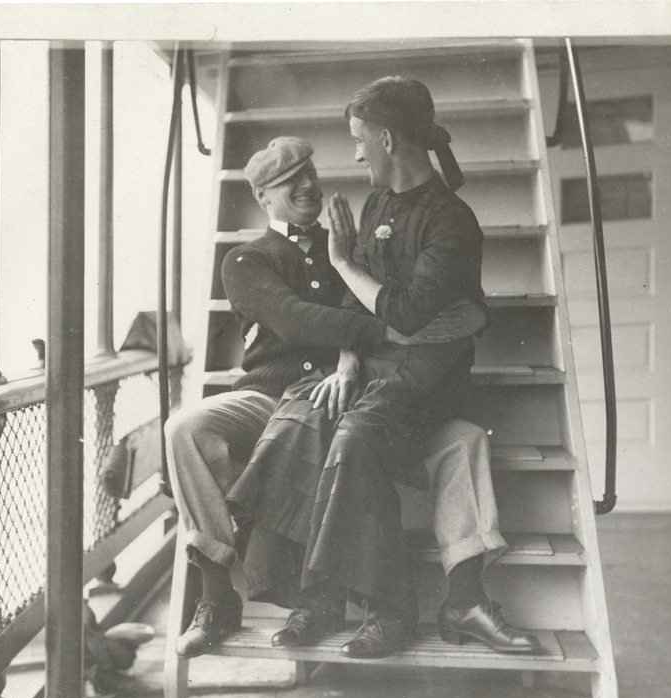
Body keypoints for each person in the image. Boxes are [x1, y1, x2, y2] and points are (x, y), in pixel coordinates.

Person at [228, 78, 540, 659]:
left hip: (429, 376)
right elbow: (355, 304)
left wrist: (342, 260)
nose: (355, 154)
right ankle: (312, 598)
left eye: (359, 140)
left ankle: (391, 611)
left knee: (355, 437)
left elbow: (406, 313)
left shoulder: (450, 219)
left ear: (388, 140)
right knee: (302, 414)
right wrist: (347, 361)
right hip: (376, 367)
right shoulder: (377, 205)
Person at [169, 135, 509, 659]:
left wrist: (475, 316)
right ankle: (216, 595)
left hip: (359, 392)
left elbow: (419, 291)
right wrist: (389, 331)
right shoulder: (245, 259)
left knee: (461, 439)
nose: (306, 186)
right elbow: (295, 320)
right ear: (262, 196)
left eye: (309, 173)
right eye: (288, 181)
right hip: (269, 397)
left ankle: (460, 597)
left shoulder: (351, 246)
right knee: (186, 429)